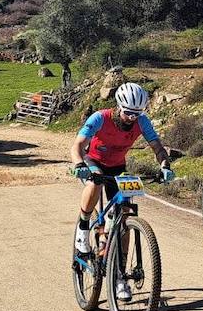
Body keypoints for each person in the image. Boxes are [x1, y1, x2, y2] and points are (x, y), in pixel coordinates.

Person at [70, 83, 174, 297]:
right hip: (94, 161)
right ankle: (83, 229)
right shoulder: (100, 118)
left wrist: (164, 165)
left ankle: (119, 275)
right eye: (128, 112)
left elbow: (157, 147)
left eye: (137, 113)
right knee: (95, 183)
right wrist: (79, 164)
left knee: (124, 215)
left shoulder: (142, 122)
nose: (131, 118)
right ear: (119, 106)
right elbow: (78, 145)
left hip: (118, 166)